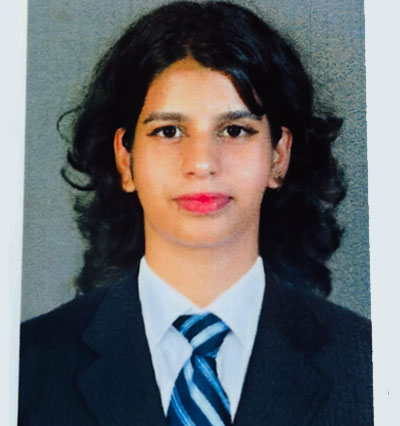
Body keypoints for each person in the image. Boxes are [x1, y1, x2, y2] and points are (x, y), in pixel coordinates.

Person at [18, 1, 373, 425]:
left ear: (278, 157)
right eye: (169, 131)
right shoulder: (25, 365)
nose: (202, 163)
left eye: (234, 130)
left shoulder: (369, 364)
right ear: (126, 160)